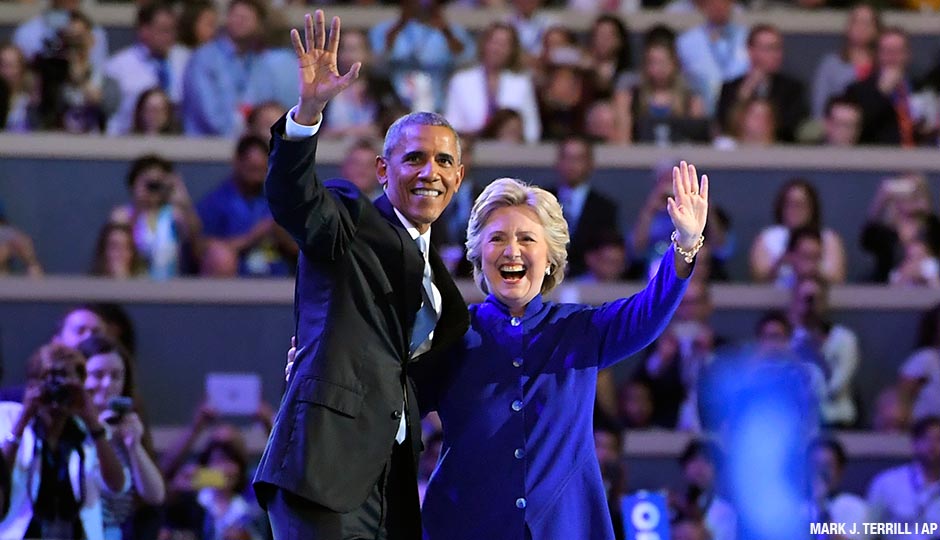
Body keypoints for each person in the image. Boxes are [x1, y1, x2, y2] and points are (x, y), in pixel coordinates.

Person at [253, 11, 470, 540]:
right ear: (382, 170)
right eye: (414, 158)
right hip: (323, 473)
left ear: (459, 177)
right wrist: (309, 111)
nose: (430, 172)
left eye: (444, 161)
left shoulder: (443, 288)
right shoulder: (350, 218)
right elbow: (293, 196)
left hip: (391, 486)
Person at [416, 162, 706, 539]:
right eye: (498, 238)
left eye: (527, 239)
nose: (512, 251)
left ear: (551, 257)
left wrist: (685, 246)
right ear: (478, 255)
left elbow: (648, 311)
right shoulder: (451, 334)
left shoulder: (580, 330)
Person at [0, 343, 127, 540]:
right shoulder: (8, 417)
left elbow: (116, 485)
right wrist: (24, 419)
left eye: (66, 384)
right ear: (31, 385)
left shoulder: (89, 431)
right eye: (47, 381)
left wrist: (91, 419)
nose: (56, 393)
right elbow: (1, 480)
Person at [77, 335, 165, 540]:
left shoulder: (125, 424)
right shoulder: (71, 427)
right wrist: (100, 436)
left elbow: (155, 495)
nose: (108, 384)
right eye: (97, 375)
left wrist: (134, 446)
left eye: (116, 376)